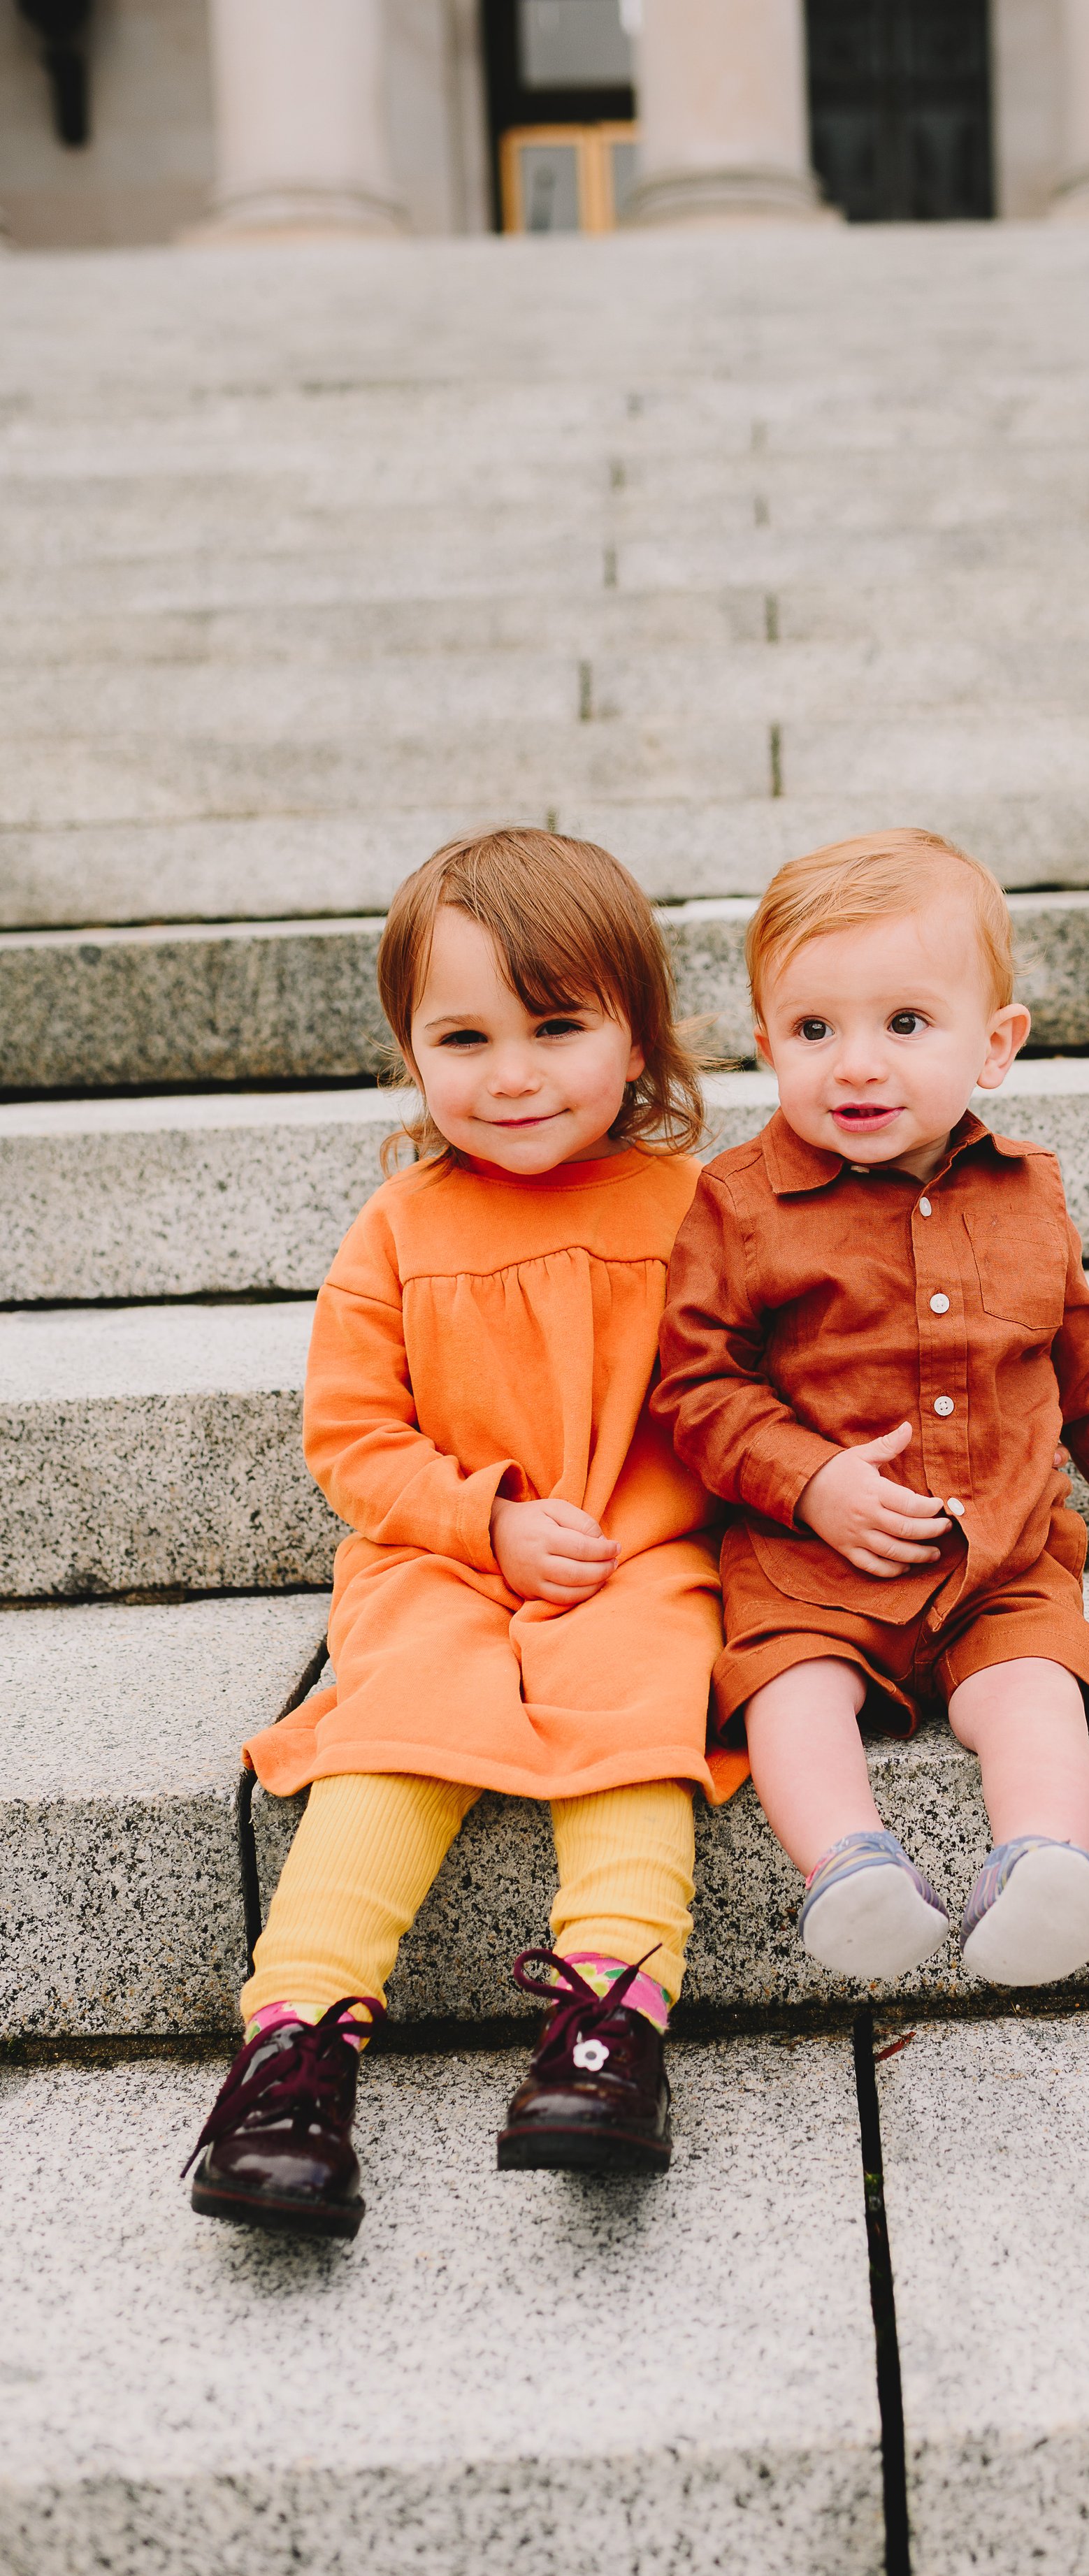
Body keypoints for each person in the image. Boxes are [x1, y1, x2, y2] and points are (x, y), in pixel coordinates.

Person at [186, 828, 740, 2241]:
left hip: (636, 1553)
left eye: (556, 1028)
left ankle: (608, 2024)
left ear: (636, 1036)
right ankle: (290, 2054)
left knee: (635, 1715)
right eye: (463, 1035)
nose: (510, 1072)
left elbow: (748, 1394)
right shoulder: (399, 1226)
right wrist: (480, 1522)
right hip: (440, 1557)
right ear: (411, 1051)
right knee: (397, 1720)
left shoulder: (696, 1211)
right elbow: (353, 1439)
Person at [653, 828, 1089, 1992]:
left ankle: (1043, 1864)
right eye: (813, 1030)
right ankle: (849, 1868)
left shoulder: (1030, 1192)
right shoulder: (739, 1206)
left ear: (994, 1044)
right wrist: (809, 1478)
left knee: (1032, 1687)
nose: (855, 1065)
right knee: (791, 1688)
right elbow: (693, 1386)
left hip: (1001, 1554)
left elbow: (1088, 1376)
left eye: (904, 1024)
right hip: (815, 1560)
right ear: (765, 1045)